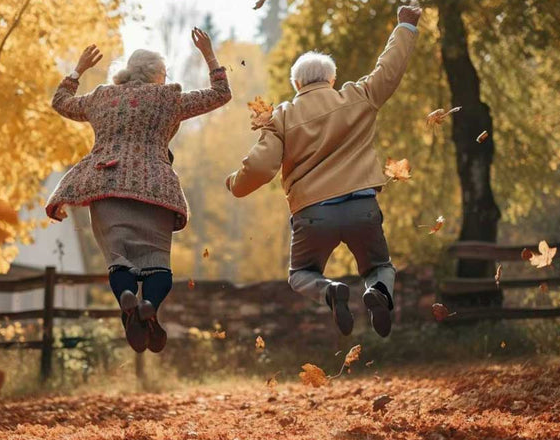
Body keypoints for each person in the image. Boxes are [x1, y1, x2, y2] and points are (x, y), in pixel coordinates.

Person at [224, 6, 421, 337]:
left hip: (314, 214)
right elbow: (388, 70)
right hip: (362, 206)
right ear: (331, 79)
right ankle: (378, 293)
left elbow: (260, 166)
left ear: (297, 84)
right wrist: (405, 26)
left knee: (301, 273)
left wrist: (234, 184)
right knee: (379, 267)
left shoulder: (281, 117)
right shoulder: (358, 97)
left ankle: (329, 290)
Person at [47, 28, 231, 353]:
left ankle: (128, 301)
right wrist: (209, 55)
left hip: (108, 186)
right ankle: (150, 307)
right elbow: (220, 94)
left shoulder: (101, 97)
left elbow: (60, 102)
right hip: (155, 190)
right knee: (157, 262)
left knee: (120, 261)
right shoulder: (168, 98)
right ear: (158, 74)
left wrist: (78, 70)